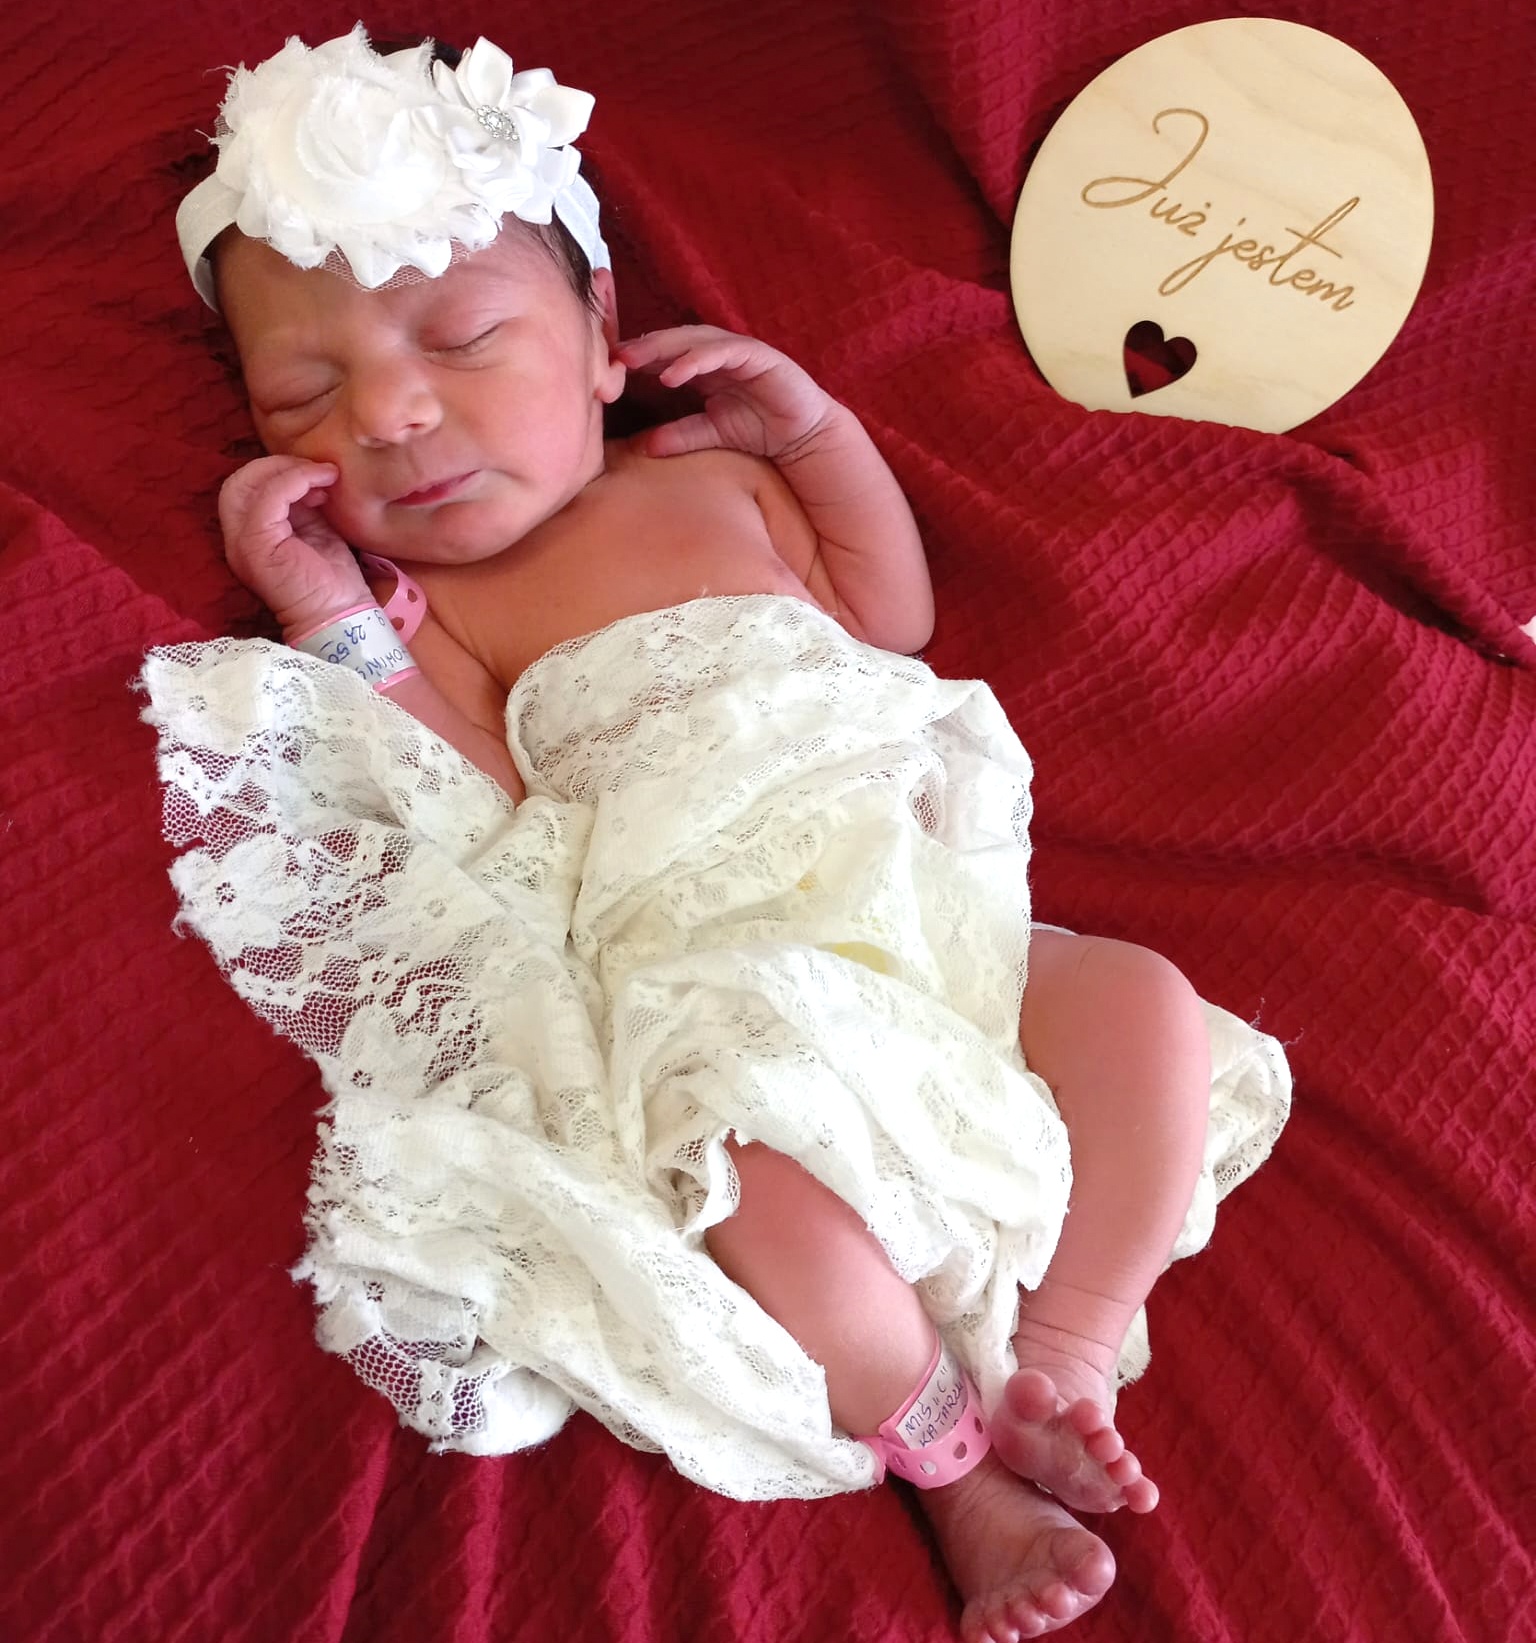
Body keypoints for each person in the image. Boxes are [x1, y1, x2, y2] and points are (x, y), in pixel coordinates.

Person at [169, 27, 1289, 1643]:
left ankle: (1064, 1349)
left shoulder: (717, 487)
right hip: (719, 963)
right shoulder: (454, 615)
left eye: (464, 338)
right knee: (746, 1173)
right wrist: (325, 614)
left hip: (929, 914)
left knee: (1142, 1001)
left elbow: (889, 620)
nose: (394, 414)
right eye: (305, 396)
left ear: (602, 336)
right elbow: (473, 796)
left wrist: (816, 433)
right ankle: (960, 1475)